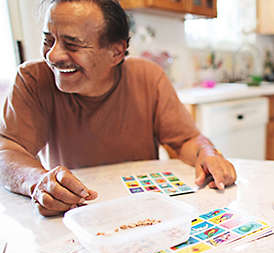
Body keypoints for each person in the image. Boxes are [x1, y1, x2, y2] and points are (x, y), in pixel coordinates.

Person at [0, 0, 236, 216]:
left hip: (142, 211)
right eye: (48, 40)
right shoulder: (32, 78)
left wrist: (208, 153)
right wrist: (38, 181)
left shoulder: (148, 76)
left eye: (72, 45)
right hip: (74, 214)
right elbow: (7, 151)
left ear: (116, 52)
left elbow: (186, 141)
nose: (53, 55)